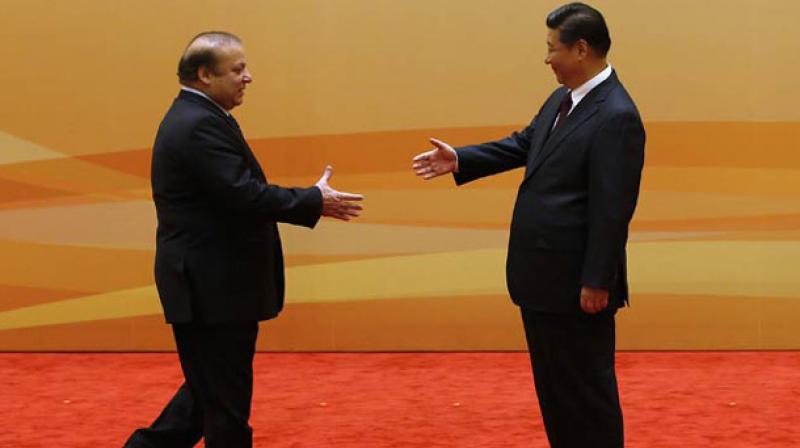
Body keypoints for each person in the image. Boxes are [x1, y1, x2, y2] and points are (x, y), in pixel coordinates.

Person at [412, 3, 645, 447]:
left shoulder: (617, 115)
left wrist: (597, 279)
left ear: (580, 49)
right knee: (557, 395)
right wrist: (460, 159)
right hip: (543, 282)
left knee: (586, 395)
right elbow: (524, 143)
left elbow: (613, 210)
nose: (546, 59)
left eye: (551, 49)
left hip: (579, 288)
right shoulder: (564, 99)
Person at [125, 31, 363, 448]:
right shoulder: (198, 124)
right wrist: (312, 200)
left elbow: (237, 193)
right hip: (211, 289)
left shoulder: (199, 116)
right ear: (204, 74)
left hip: (213, 287)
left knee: (207, 397)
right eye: (237, 70)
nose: (247, 77)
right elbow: (243, 194)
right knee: (225, 408)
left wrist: (308, 199)